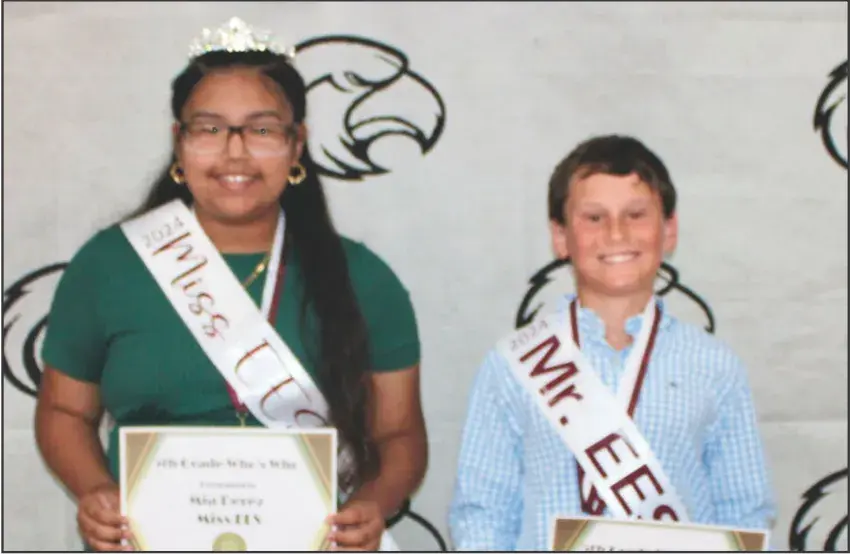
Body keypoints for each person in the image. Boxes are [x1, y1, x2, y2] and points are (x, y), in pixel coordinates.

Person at [35, 17, 427, 552]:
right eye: (210, 129)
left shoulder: (363, 278)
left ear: (296, 145)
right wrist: (95, 490)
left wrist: (373, 503)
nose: (235, 153)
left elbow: (399, 435)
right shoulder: (108, 265)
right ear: (179, 143)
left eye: (262, 130)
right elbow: (63, 411)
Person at [448, 135, 776, 550]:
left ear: (669, 230)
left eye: (636, 214)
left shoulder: (714, 365)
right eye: (594, 218)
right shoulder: (512, 365)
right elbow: (483, 513)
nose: (616, 233)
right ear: (560, 237)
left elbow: (744, 510)